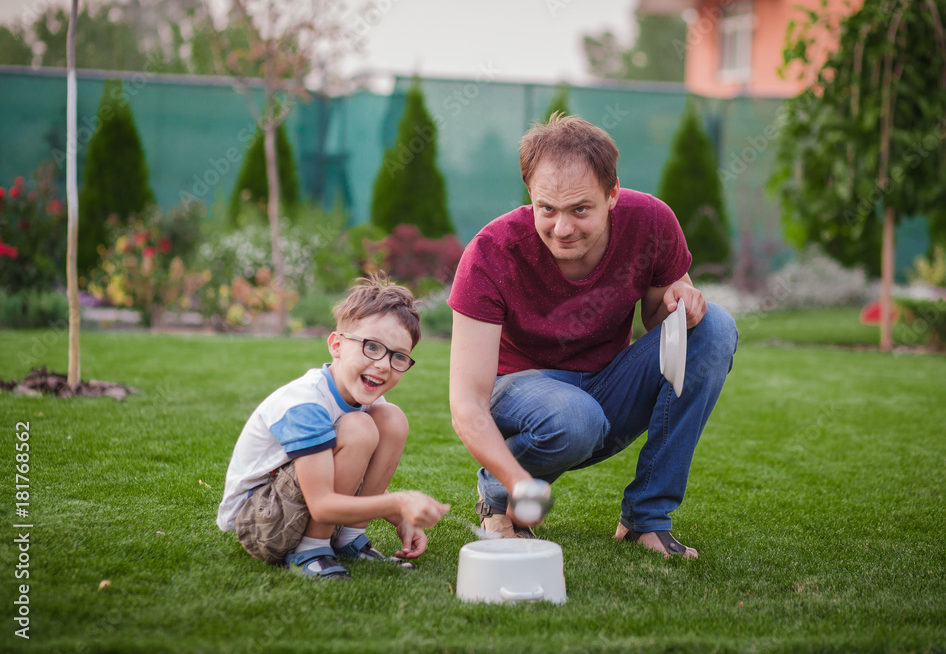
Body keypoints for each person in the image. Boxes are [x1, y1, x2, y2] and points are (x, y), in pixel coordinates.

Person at [448, 114, 738, 559]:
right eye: (547, 209)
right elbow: (468, 404)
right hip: (523, 395)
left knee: (714, 327)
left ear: (613, 193)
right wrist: (517, 481)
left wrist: (682, 301)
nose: (562, 228)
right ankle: (496, 498)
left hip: (605, 385)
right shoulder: (491, 253)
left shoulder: (651, 222)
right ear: (531, 196)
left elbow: (665, 326)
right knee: (574, 417)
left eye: (580, 209)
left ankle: (646, 518)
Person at [217, 272, 450, 579]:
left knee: (392, 419)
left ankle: (349, 538)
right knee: (359, 428)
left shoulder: (364, 401)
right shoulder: (306, 403)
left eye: (398, 357)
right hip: (261, 521)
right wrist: (400, 501)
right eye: (371, 346)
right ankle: (311, 548)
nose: (382, 364)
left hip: (302, 504)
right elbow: (323, 505)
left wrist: (399, 518)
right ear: (336, 346)